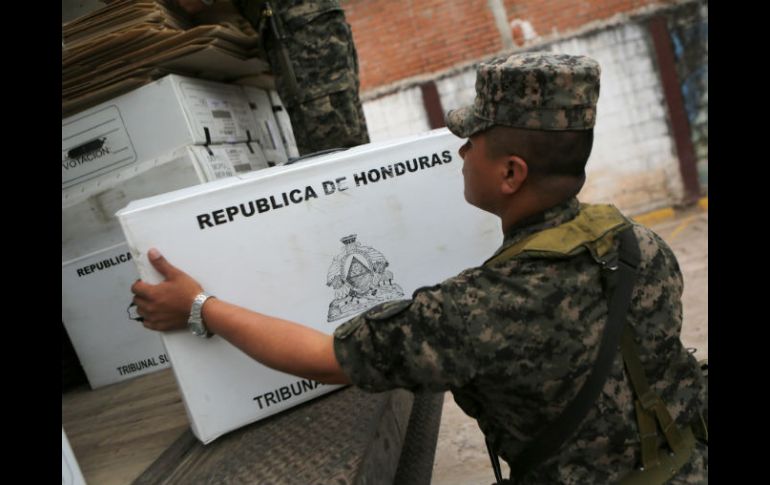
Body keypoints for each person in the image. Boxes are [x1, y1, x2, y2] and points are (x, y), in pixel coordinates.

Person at [131, 53, 707, 483]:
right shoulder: (641, 246)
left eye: (471, 141)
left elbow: (322, 359)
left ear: (510, 173)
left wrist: (201, 307)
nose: (460, 153)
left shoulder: (475, 309)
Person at [175, 0, 370, 155]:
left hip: (298, 28)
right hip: (313, 21)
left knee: (331, 148)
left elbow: (191, 4)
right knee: (349, 138)